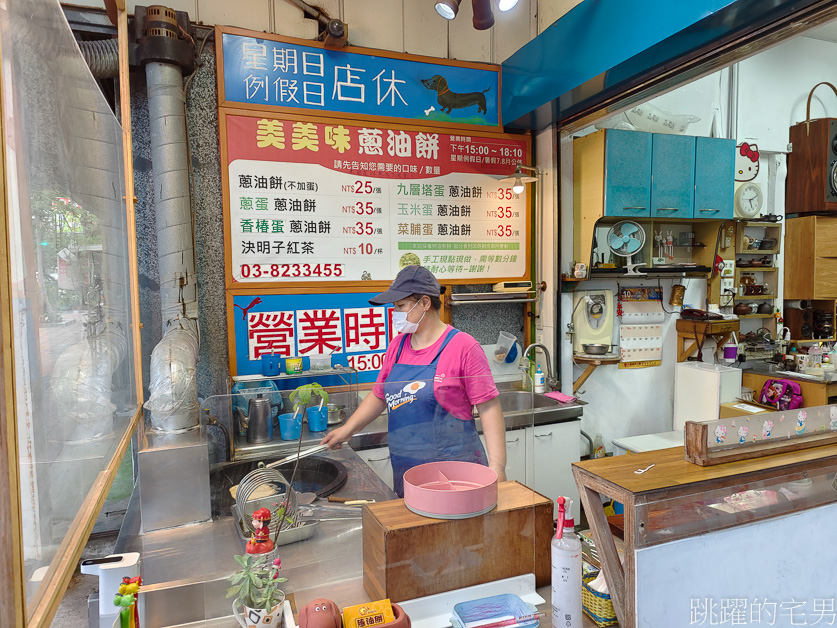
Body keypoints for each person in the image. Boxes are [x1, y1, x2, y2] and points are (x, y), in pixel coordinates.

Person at [321, 265, 507, 497]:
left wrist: (498, 468)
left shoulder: (463, 346)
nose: (395, 313)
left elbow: (489, 407)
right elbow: (379, 395)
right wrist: (347, 430)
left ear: (425, 303)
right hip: (407, 469)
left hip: (457, 471)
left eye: (400, 306)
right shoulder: (397, 347)